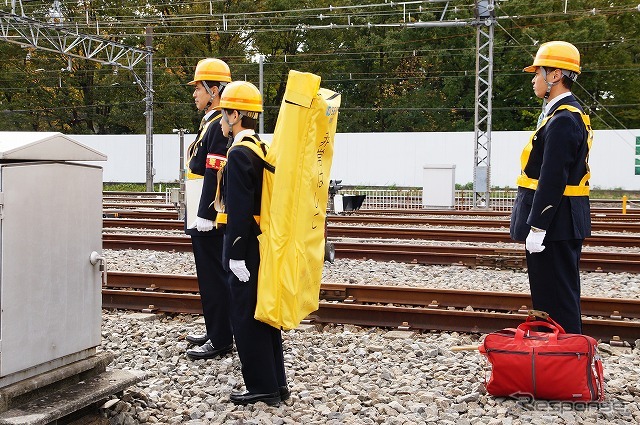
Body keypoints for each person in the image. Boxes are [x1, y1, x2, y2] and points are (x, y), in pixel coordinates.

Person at [510, 41, 593, 334]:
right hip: (558, 223)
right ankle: (559, 362)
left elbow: (553, 177)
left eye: (538, 73)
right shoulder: (564, 115)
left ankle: (567, 365)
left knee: (556, 302)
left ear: (555, 75)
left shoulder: (563, 120)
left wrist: (538, 226)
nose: (534, 79)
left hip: (553, 226)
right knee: (553, 299)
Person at [217, 81, 288, 406]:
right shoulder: (259, 146)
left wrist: (234, 255)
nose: (220, 120)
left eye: (223, 113)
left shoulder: (240, 152)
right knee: (264, 314)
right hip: (261, 242)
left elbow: (240, 210)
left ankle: (262, 386)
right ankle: (276, 383)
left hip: (246, 247)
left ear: (235, 115)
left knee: (246, 315)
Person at [183, 58, 234, 359]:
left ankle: (220, 337)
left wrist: (205, 213)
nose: (194, 94)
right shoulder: (211, 123)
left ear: (214, 91)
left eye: (198, 88)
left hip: (207, 215)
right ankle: (217, 328)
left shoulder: (217, 126)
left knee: (213, 277)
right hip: (201, 210)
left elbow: (215, 171)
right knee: (212, 276)